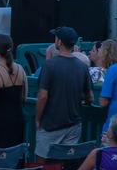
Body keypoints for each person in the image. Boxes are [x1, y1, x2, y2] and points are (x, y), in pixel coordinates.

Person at [33, 27, 91, 156]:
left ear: (59, 42)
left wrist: (37, 119)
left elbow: (43, 96)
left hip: (50, 124)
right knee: (66, 163)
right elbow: (90, 98)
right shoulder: (82, 67)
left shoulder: (49, 65)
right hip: (73, 124)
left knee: (44, 164)